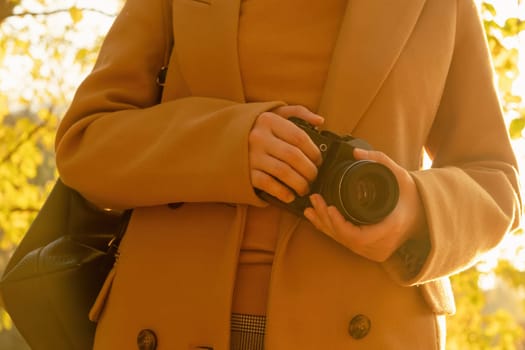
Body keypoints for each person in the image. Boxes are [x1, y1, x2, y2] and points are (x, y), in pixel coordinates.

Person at [55, 0, 522, 349]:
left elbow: (498, 182)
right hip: (163, 318)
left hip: (369, 327)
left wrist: (415, 214)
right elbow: (86, 143)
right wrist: (226, 144)